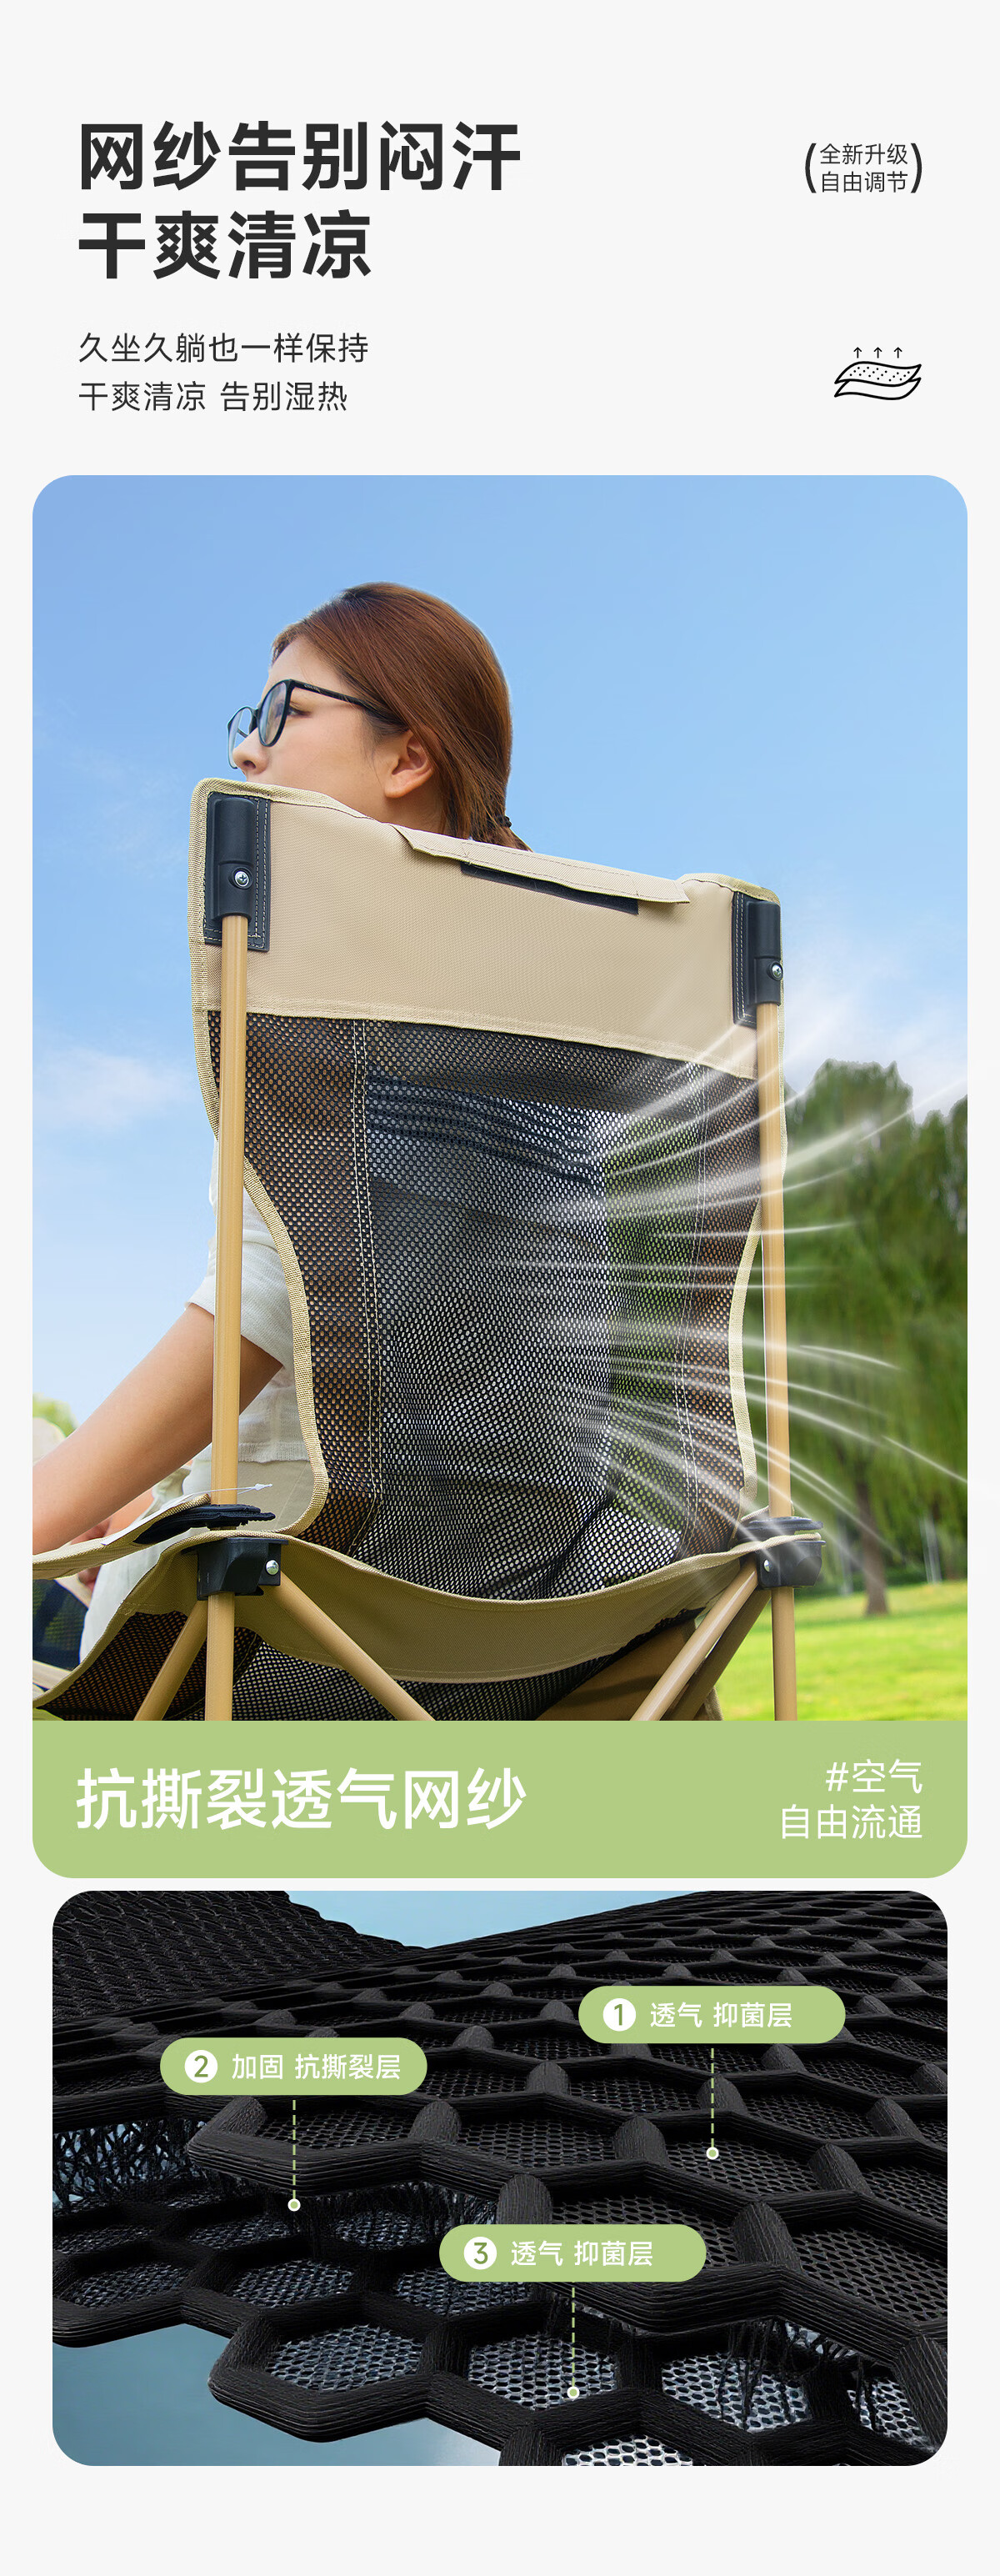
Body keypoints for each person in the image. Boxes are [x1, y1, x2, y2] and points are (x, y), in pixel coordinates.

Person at [32, 581, 531, 1656]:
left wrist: (41, 1515)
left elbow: (265, 1305)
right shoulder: (559, 1013)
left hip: (276, 1626)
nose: (246, 749)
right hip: (530, 1608)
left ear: (408, 757)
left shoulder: (358, 1005)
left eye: (284, 713)